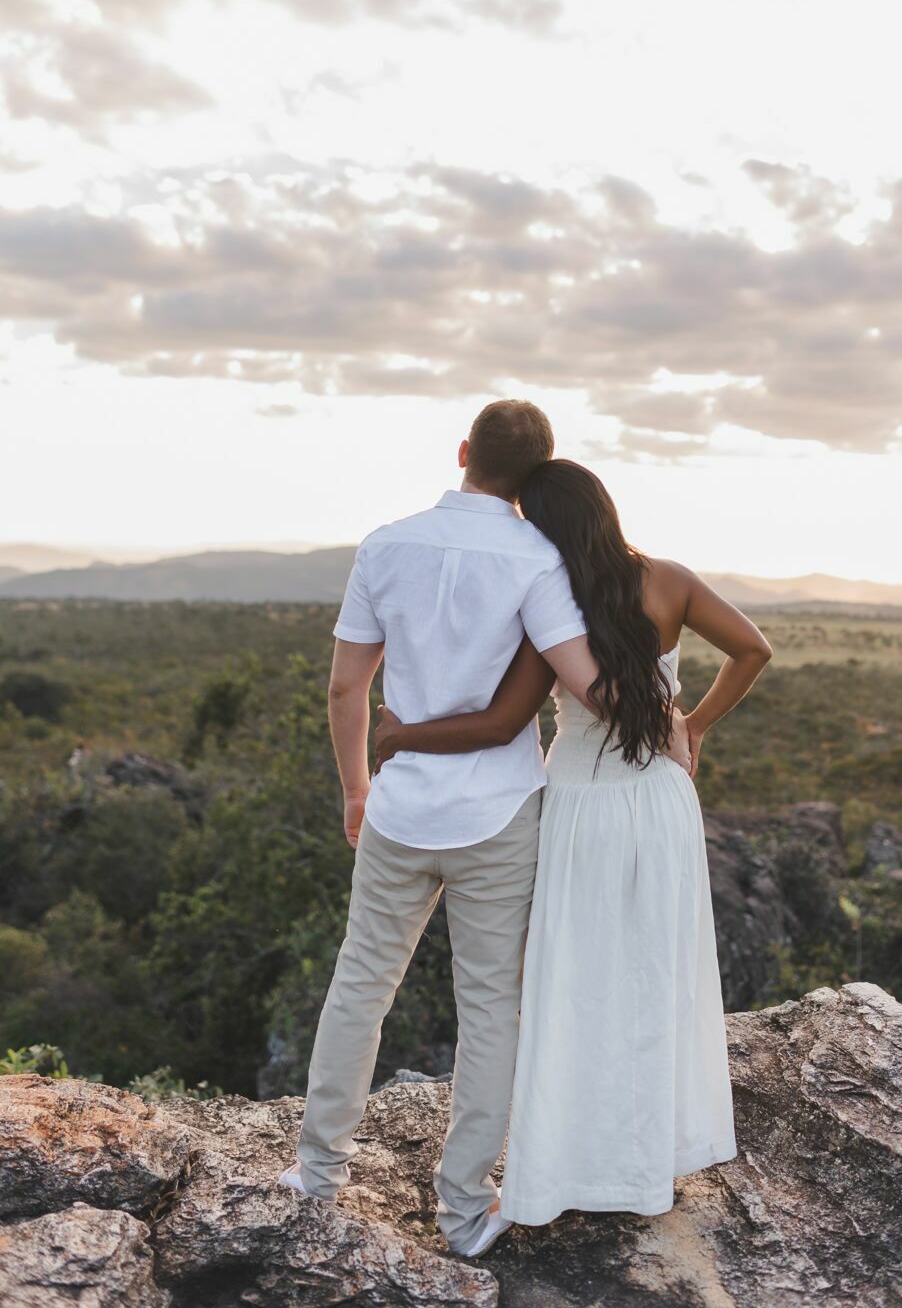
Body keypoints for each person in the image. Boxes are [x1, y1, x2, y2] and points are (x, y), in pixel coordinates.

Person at [277, 403, 687, 1259]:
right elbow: (583, 681)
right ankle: (464, 1211)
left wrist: (357, 789)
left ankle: (317, 1172)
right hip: (500, 817)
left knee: (361, 984)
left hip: (400, 807)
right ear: (538, 473)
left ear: (463, 453)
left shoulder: (385, 544)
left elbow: (348, 690)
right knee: (492, 1008)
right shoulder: (539, 559)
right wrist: (667, 721)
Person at [374, 458, 773, 1232]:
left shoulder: (552, 606)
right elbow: (753, 649)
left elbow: (498, 724)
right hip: (660, 800)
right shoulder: (671, 580)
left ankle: (573, 1166)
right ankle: (648, 1160)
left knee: (574, 986)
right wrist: (693, 725)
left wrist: (400, 735)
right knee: (655, 976)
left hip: (582, 803)